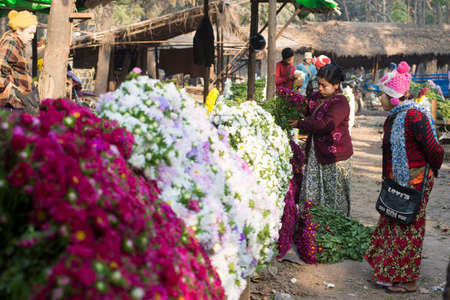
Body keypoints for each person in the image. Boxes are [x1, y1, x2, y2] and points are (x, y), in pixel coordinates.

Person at [364, 61, 444, 293]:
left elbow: (435, 150)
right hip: (396, 181)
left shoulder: (415, 117)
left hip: (416, 182)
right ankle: (388, 271)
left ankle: (407, 280)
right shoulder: (394, 117)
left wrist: (431, 172)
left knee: (408, 227)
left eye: (382, 95)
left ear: (394, 97)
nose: (379, 99)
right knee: (391, 221)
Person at [289, 63, 353, 216]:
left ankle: (334, 229)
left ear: (336, 85)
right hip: (316, 153)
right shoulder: (316, 97)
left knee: (334, 197)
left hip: (335, 156)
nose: (320, 88)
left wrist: (300, 123)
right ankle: (310, 226)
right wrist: (291, 95)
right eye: (319, 84)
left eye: (325, 85)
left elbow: (324, 125)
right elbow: (303, 107)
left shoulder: (340, 102)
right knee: (312, 192)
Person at [0, 10, 38, 113]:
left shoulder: (18, 44)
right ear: (18, 30)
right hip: (12, 105)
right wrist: (13, 90)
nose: (32, 37)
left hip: (18, 103)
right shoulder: (11, 42)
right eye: (29, 33)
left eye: (33, 33)